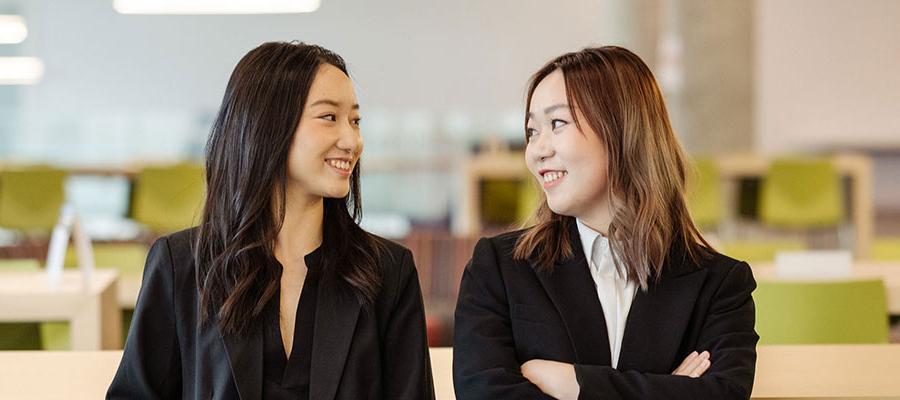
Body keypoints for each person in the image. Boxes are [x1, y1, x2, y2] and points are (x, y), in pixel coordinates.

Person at [108, 41, 435, 400]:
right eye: (329, 117)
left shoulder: (388, 272)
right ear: (268, 125)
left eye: (355, 121)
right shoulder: (181, 265)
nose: (351, 140)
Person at [453, 46, 758, 399]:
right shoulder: (499, 267)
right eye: (532, 131)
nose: (536, 150)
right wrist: (669, 388)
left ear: (621, 128)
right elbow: (485, 393)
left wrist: (576, 384)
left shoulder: (720, 284)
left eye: (557, 123)